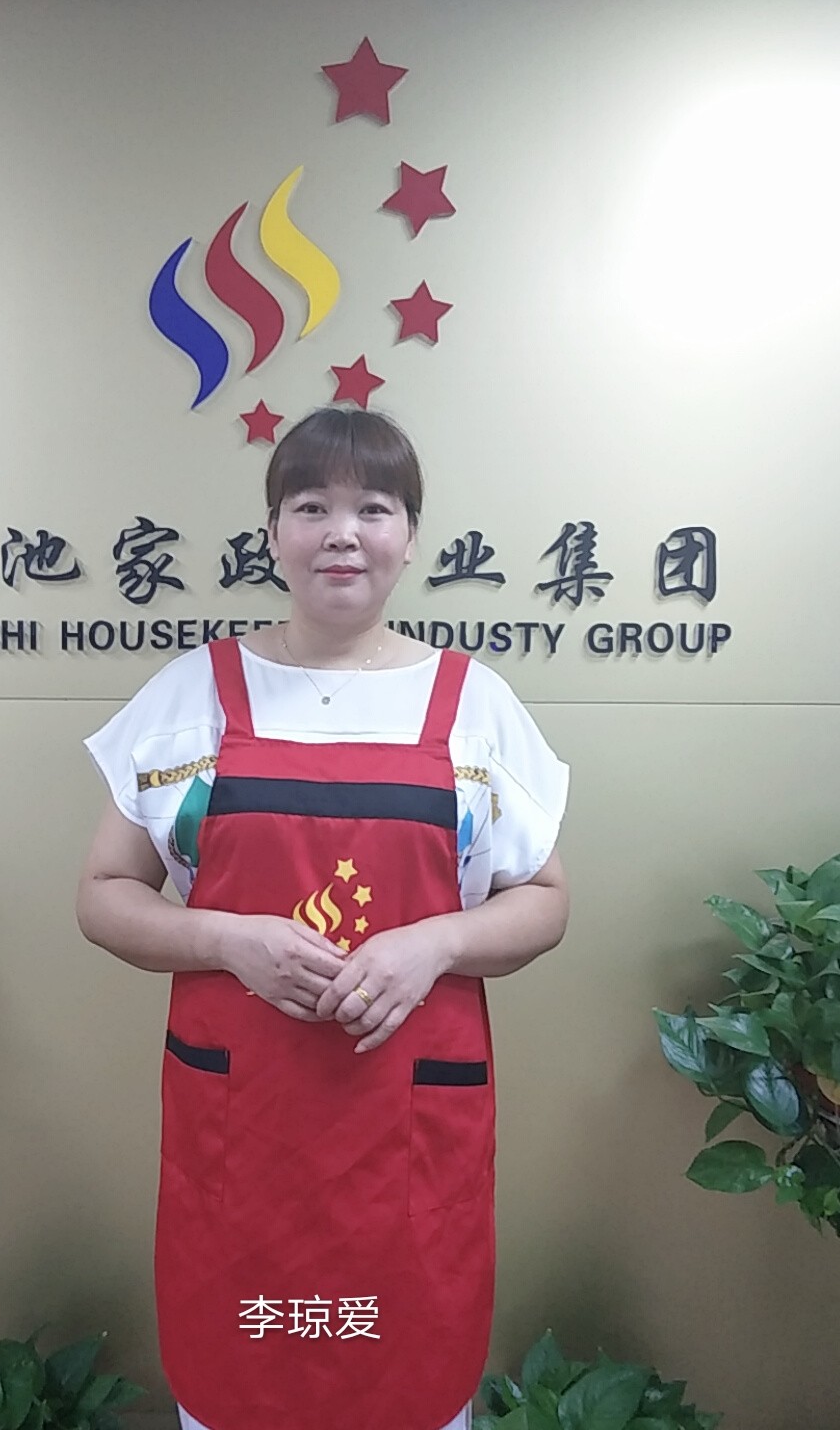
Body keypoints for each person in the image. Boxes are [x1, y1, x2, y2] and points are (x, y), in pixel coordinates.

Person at [76, 407, 570, 1430]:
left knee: (409, 1385)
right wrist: (225, 938)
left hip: (408, 1126)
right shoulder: (193, 697)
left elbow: (546, 901)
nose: (342, 532)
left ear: (410, 536)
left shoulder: (474, 705)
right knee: (239, 1384)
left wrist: (437, 942)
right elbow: (105, 894)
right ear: (272, 533)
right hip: (244, 1127)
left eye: (373, 508)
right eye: (311, 506)